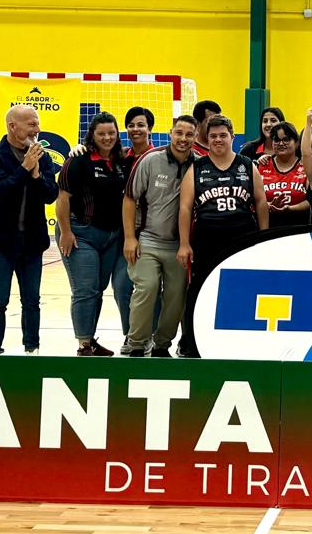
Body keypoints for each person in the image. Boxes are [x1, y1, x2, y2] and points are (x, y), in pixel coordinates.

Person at [177, 115, 268, 356]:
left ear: (232, 137)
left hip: (242, 236)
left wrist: (263, 236)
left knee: (242, 288)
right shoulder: (197, 167)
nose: (218, 140)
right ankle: (191, 343)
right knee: (199, 289)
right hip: (207, 237)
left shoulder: (247, 165)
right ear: (207, 139)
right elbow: (185, 207)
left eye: (223, 135)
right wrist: (184, 244)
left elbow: (261, 202)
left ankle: (239, 339)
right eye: (213, 136)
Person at [0, 105, 58, 355]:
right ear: (13, 127)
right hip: (1, 242)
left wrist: (36, 175)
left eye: (37, 123)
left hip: (32, 243)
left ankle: (31, 348)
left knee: (32, 300)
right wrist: (24, 169)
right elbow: (1, 192)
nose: (38, 129)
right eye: (32, 124)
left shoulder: (42, 158)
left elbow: (50, 195)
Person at [55, 111, 132, 357]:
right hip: (81, 233)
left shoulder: (122, 160)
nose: (107, 137)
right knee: (85, 289)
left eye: (111, 133)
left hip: (112, 236)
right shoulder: (78, 160)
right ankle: (84, 344)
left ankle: (92, 341)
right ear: (92, 135)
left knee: (97, 288)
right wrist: (66, 232)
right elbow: (62, 199)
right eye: (101, 134)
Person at [122, 113, 197, 358]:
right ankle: (136, 344)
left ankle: (162, 345)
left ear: (195, 137)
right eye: (179, 133)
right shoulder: (150, 160)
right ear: (170, 133)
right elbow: (130, 198)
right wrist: (130, 238)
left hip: (179, 246)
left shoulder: (200, 165)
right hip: (148, 240)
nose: (183, 139)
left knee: (176, 297)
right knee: (147, 287)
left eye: (188, 134)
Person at [257, 120, 309, 229]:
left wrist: (290, 208)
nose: (281, 143)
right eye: (276, 140)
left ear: (296, 143)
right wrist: (268, 205)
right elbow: (253, 200)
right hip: (269, 228)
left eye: (286, 139)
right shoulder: (260, 166)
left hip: (299, 230)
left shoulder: (306, 167)